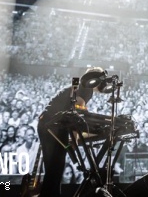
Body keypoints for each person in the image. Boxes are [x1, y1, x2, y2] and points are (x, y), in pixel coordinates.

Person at [35, 67, 111, 197]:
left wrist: (76, 138)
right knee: (55, 167)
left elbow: (76, 117)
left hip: (52, 125)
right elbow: (78, 116)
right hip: (52, 126)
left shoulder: (85, 89)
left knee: (55, 168)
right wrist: (76, 139)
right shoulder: (85, 89)